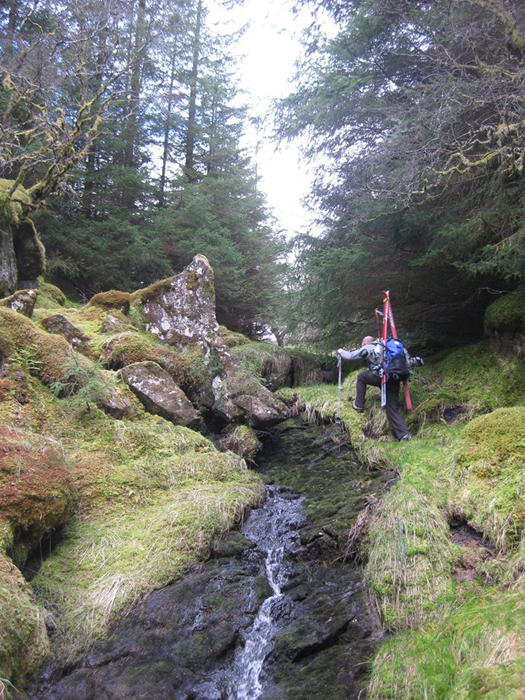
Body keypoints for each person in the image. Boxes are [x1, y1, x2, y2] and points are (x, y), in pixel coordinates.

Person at [337, 336, 424, 441]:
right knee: (391, 407)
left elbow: (351, 356)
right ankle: (403, 434)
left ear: (365, 343)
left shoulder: (370, 347)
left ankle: (358, 405)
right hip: (394, 378)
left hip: (381, 377)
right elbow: (408, 362)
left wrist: (341, 351)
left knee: (361, 377)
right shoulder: (390, 347)